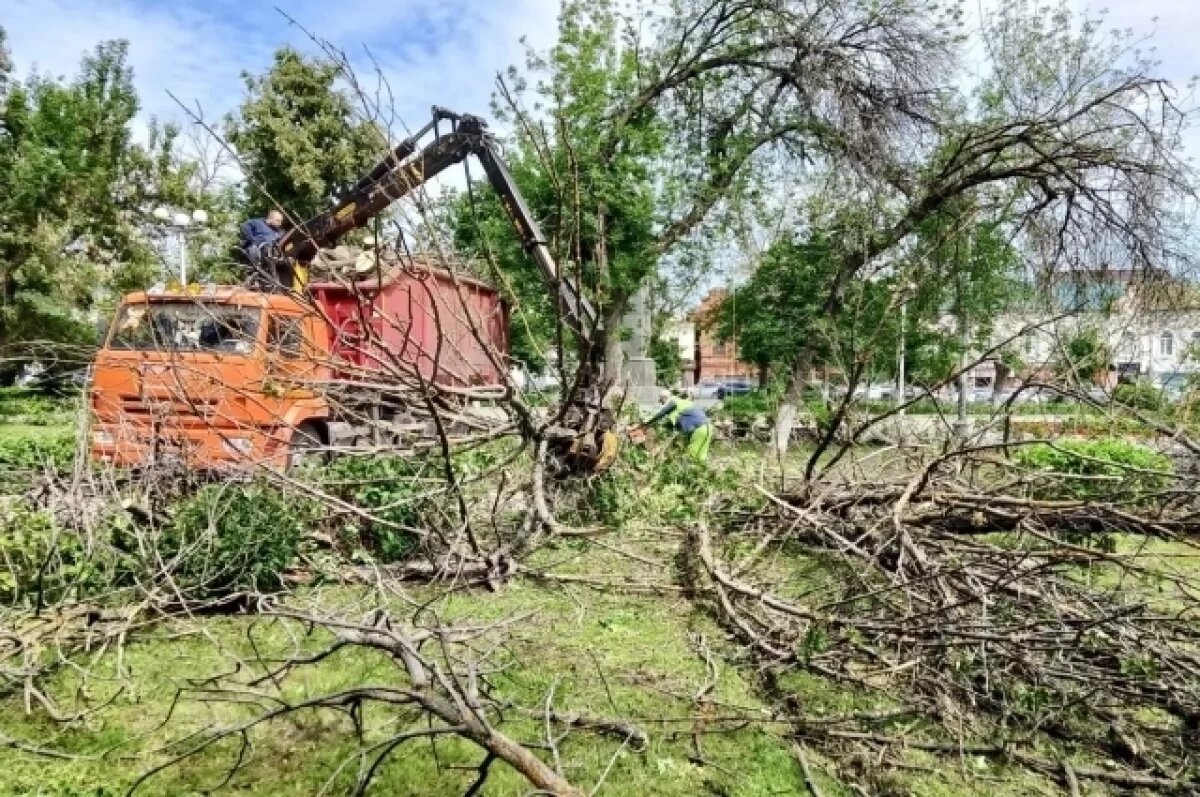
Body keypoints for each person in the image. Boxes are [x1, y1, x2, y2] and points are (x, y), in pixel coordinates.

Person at [640, 387, 713, 464]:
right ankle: (700, 473)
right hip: (708, 428)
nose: (661, 403)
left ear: (665, 398)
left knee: (690, 456)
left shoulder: (674, 403)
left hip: (699, 430)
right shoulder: (682, 403)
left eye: (661, 400)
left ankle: (686, 474)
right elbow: (675, 426)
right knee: (701, 456)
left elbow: (661, 414)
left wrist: (646, 424)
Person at [239, 210, 293, 291]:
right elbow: (245, 226)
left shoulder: (278, 231)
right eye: (278, 221)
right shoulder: (258, 223)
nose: (280, 224)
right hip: (258, 250)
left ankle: (279, 284)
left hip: (272, 253)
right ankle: (265, 278)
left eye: (281, 221)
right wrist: (252, 240)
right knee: (260, 249)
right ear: (270, 219)